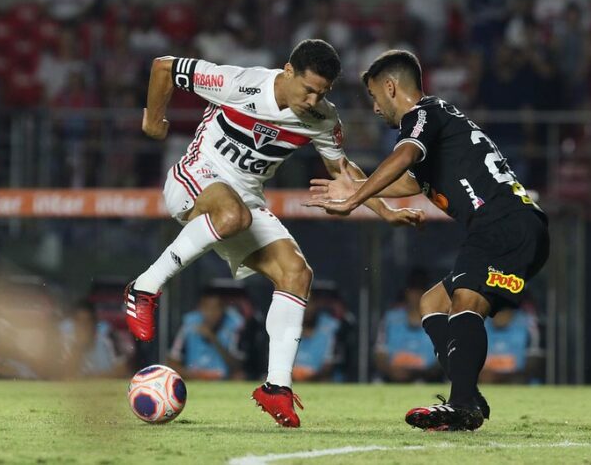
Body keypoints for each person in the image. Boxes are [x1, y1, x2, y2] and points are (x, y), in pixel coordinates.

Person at [123, 39, 422, 428]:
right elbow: (164, 66)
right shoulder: (239, 83)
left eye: (322, 92)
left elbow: (343, 173)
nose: (313, 99)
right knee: (232, 215)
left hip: (245, 202)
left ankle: (275, 388)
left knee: (296, 274)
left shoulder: (323, 119)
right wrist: (153, 119)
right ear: (288, 71)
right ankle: (144, 288)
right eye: (308, 88)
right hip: (195, 179)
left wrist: (385, 211)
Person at [306, 50, 550, 431]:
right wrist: (363, 193)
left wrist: (353, 199)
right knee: (433, 302)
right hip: (519, 229)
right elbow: (407, 180)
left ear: (390, 87)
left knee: (466, 300)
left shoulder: (422, 115)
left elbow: (404, 157)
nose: (373, 108)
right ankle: (467, 394)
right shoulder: (441, 123)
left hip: (502, 223)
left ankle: (463, 403)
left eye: (373, 97)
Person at [374, 269, 443, 383]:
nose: (417, 295)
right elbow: (379, 353)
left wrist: (418, 373)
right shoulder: (391, 319)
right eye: (413, 290)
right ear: (407, 292)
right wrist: (390, 370)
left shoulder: (439, 321)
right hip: (392, 378)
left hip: (428, 380)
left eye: (422, 290)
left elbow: (445, 359)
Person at [168, 287, 246, 380]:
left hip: (223, 381)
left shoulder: (234, 324)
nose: (210, 313)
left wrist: (213, 339)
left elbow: (238, 366)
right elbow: (172, 362)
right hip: (194, 378)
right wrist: (195, 376)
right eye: (206, 308)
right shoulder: (189, 324)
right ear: (200, 308)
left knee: (240, 376)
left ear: (223, 309)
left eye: (215, 308)